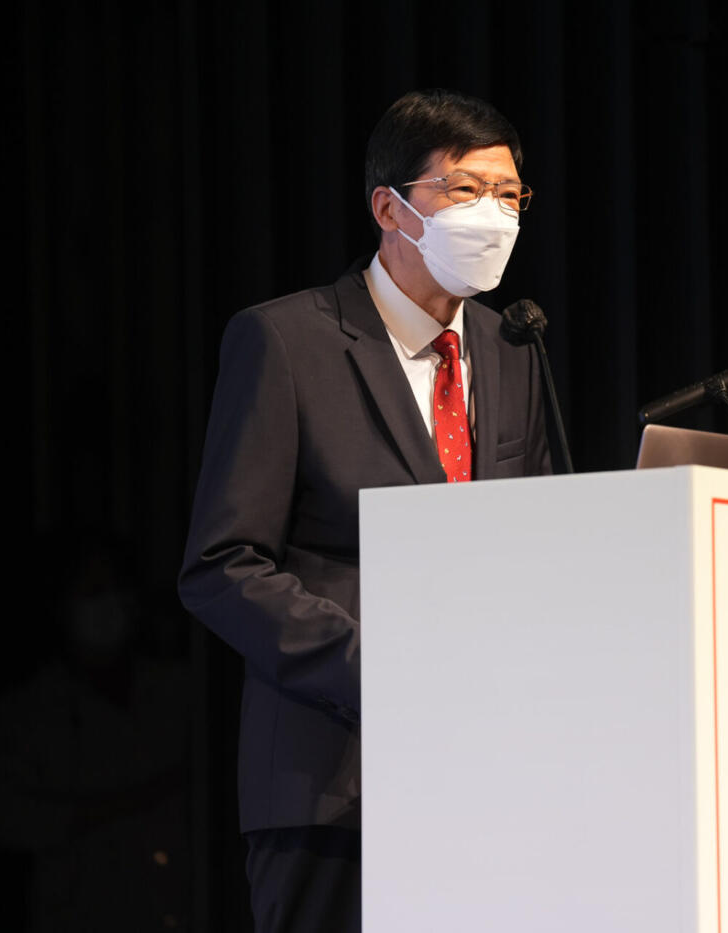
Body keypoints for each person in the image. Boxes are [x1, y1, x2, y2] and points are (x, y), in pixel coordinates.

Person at [179, 89, 551, 933]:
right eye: (465, 190)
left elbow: (526, 547)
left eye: (509, 195)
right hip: (334, 782)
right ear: (390, 208)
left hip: (487, 780)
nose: (493, 215)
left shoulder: (511, 350)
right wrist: (379, 669)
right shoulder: (287, 341)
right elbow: (222, 564)